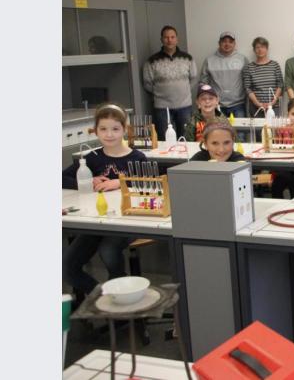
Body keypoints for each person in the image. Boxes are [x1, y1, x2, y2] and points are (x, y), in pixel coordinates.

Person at [63, 104, 147, 303]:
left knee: (108, 250)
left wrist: (121, 182)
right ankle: (107, 296)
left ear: (125, 130)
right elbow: (63, 178)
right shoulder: (92, 158)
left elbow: (150, 186)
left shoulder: (138, 158)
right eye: (103, 129)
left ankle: (121, 287)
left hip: (127, 221)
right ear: (96, 130)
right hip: (95, 221)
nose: (109, 134)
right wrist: (85, 181)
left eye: (115, 129)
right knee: (67, 268)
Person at [142, 25, 198, 139]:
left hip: (184, 105)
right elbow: (147, 83)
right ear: (161, 39)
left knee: (187, 137)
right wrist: (161, 93)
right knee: (165, 139)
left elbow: (193, 78)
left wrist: (183, 91)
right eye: (166, 37)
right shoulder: (152, 61)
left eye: (172, 37)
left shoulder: (188, 58)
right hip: (162, 107)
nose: (169, 40)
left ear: (177, 39)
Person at [200, 31, 249, 118]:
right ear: (219, 43)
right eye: (224, 41)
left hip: (238, 105)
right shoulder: (209, 60)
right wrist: (204, 102)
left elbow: (248, 82)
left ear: (234, 44)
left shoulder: (243, 59)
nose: (227, 44)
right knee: (217, 131)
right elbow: (203, 84)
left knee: (240, 132)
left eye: (230, 42)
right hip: (216, 106)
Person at [271, 97, 294, 199]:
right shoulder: (283, 131)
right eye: (293, 114)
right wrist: (273, 174)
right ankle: (277, 208)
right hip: (286, 167)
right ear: (288, 114)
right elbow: (277, 153)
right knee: (278, 182)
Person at [243, 37, 283, 115]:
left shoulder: (275, 65)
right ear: (254, 50)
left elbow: (280, 85)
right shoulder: (249, 67)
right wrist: (258, 104)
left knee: (274, 127)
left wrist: (273, 102)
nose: (260, 50)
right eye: (257, 47)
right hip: (256, 108)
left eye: (263, 47)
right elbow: (248, 88)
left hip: (274, 107)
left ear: (267, 49)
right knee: (258, 127)